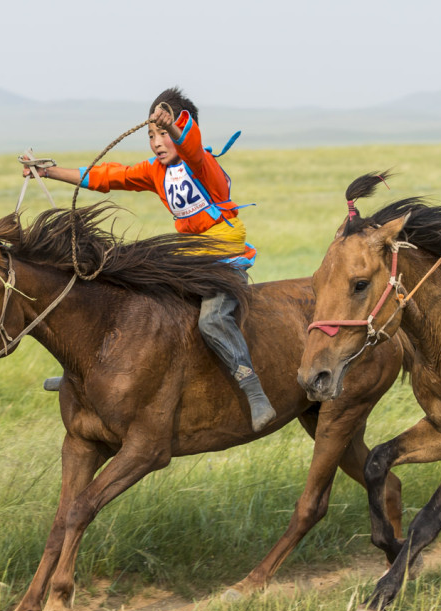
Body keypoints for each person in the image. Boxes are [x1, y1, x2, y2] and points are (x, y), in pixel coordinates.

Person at [26, 87, 276, 431]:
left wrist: (174, 125)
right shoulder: (154, 172)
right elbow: (107, 176)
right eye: (152, 135)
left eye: (163, 134)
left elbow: (188, 143)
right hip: (188, 255)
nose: (157, 142)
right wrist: (49, 172)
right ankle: (86, 376)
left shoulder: (201, 164)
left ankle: (252, 388)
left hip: (221, 254)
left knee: (213, 320)